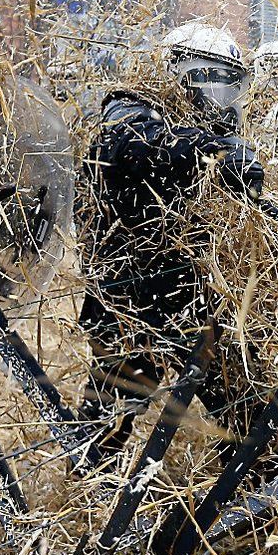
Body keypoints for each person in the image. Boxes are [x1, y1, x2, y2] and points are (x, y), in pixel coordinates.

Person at [78, 23, 267, 464]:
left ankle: (252, 494)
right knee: (114, 410)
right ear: (178, 75)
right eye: (210, 81)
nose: (219, 100)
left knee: (241, 397)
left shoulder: (201, 127)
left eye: (228, 85)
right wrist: (217, 152)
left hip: (183, 289)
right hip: (126, 293)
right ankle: (87, 493)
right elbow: (138, 147)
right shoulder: (131, 108)